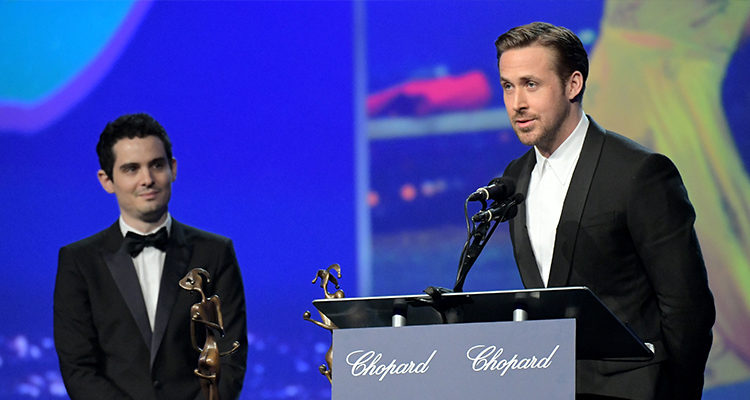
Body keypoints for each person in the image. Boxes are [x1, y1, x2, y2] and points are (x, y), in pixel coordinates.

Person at [495, 22, 715, 399]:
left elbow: (687, 307)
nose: (518, 103)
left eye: (531, 84)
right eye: (508, 86)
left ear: (573, 84)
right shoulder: (515, 178)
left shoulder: (638, 173)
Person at [53, 113, 248, 400]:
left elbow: (230, 355)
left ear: (173, 169)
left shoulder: (216, 252)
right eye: (131, 169)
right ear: (107, 180)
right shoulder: (79, 261)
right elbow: (78, 370)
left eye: (156, 165)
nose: (147, 179)